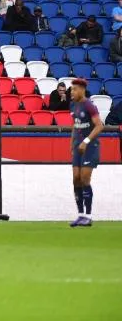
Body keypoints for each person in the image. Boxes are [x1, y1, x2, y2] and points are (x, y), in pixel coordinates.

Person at [67, 78, 103, 227]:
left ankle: (88, 216)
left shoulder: (89, 106)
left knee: (84, 178)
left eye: (74, 89)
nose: (72, 92)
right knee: (76, 178)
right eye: (71, 90)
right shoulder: (73, 105)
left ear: (82, 90)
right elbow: (75, 125)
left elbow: (99, 126)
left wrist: (86, 141)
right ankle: (80, 215)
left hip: (90, 146)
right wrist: (72, 143)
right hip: (78, 146)